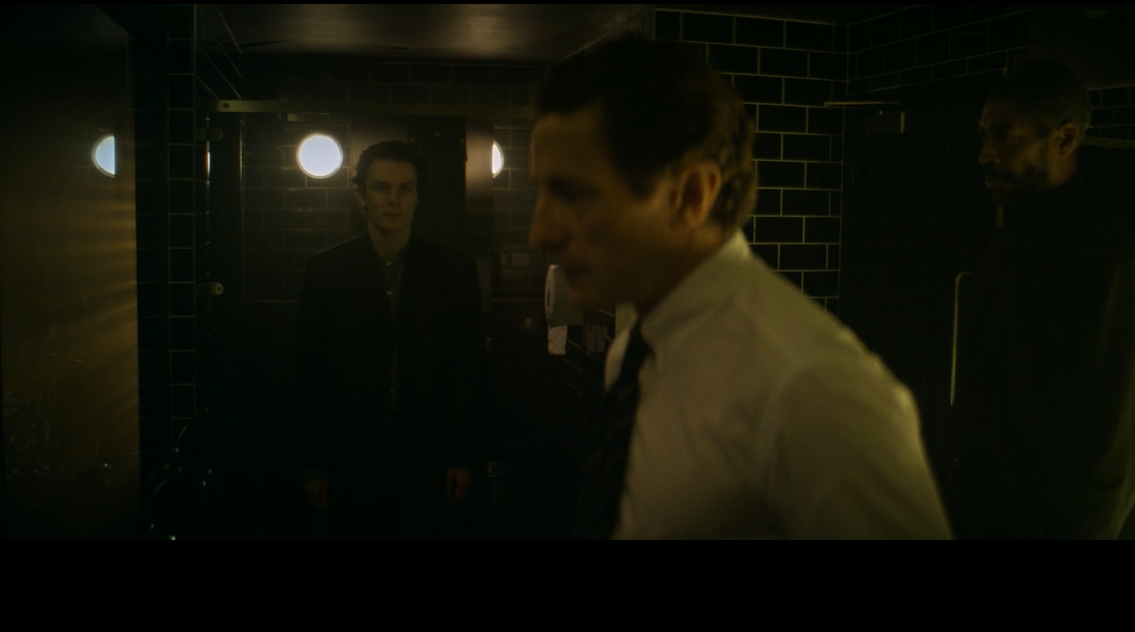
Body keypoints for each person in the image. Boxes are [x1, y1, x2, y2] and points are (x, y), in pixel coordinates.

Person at [527, 34, 952, 539]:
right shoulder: (630, 357)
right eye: (542, 192)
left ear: (691, 195)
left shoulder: (813, 392)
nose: (539, 233)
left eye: (574, 195)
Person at [950, 60, 1135, 539]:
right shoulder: (1010, 241)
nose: (985, 154)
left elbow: (1112, 447)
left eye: (1005, 137)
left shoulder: (1109, 260)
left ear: (1065, 139)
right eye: (984, 136)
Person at [296, 140, 484, 539]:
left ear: (418, 196)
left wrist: (461, 457)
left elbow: (467, 370)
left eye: (405, 189)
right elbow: (310, 372)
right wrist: (314, 463)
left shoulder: (453, 272)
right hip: (352, 449)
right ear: (361, 195)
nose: (394, 199)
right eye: (382, 187)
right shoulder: (326, 272)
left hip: (427, 450)